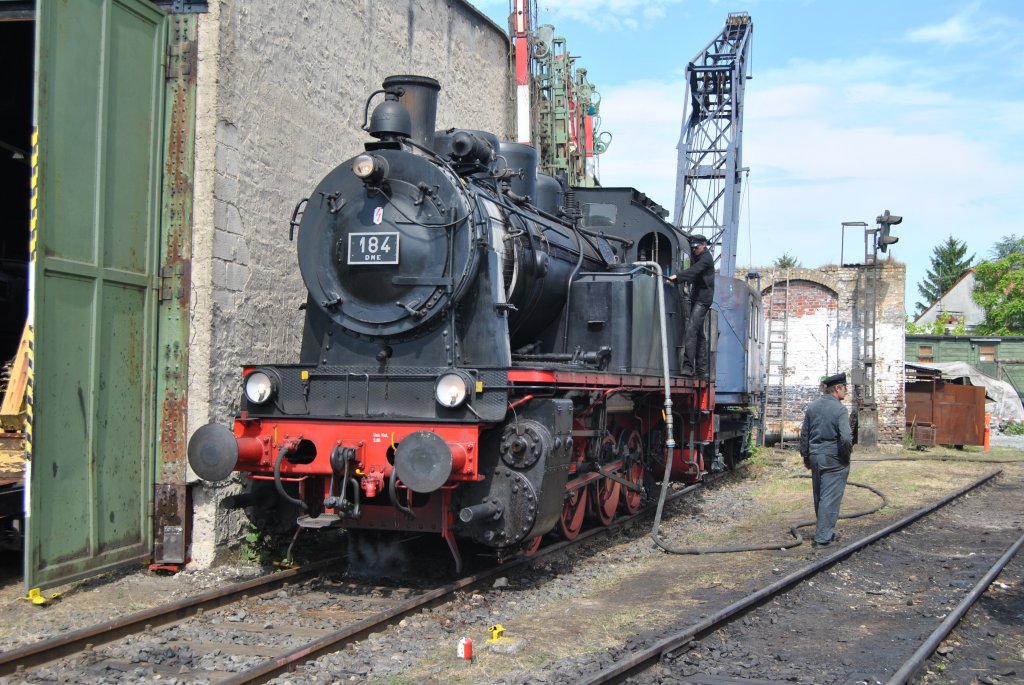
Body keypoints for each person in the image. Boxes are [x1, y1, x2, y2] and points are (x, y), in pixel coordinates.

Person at [799, 372, 853, 547]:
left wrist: (806, 456)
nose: (846, 391)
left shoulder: (812, 407)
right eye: (845, 388)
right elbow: (845, 438)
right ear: (837, 388)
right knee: (830, 497)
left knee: (820, 496)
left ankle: (825, 531)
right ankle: (822, 538)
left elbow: (804, 434)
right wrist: (845, 456)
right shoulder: (840, 410)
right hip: (834, 458)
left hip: (815, 456)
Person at [673, 234, 715, 377]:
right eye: (692, 248)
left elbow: (694, 270)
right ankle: (702, 370)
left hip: (703, 299)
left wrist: (678, 277)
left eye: (696, 247)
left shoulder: (706, 259)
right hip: (696, 297)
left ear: (704, 245)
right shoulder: (698, 257)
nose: (694, 250)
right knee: (700, 334)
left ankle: (688, 368)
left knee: (691, 331)